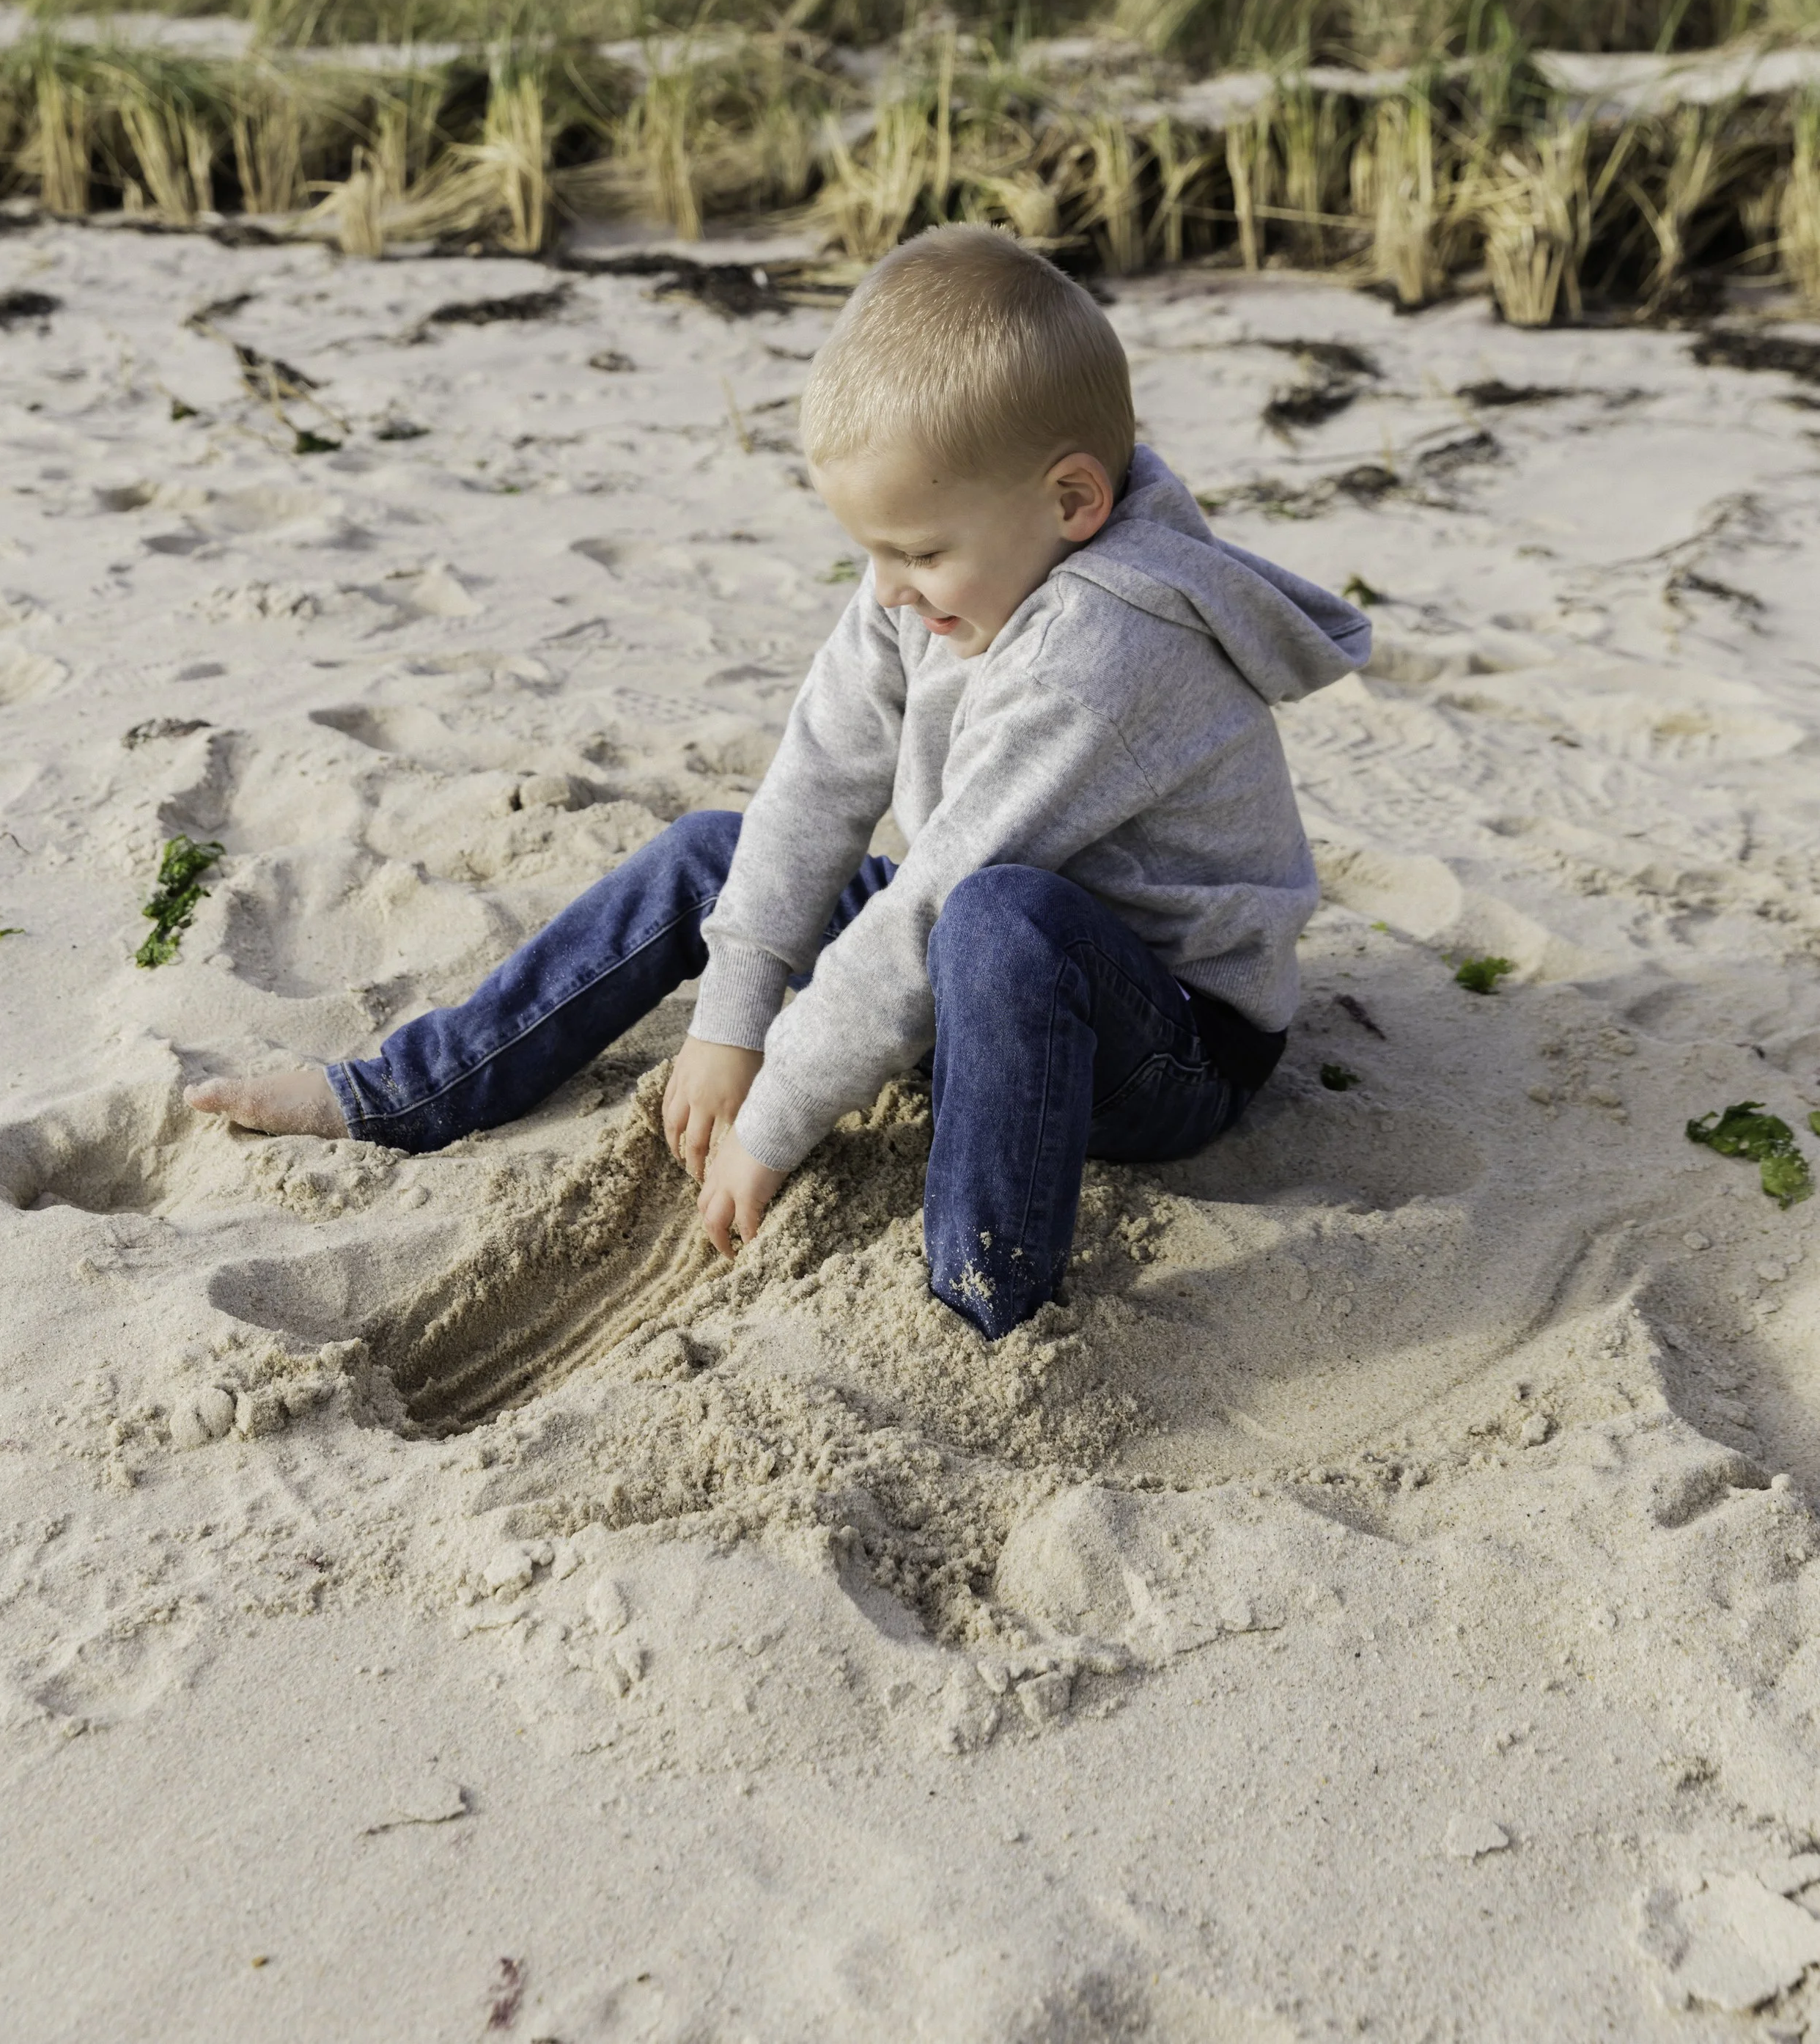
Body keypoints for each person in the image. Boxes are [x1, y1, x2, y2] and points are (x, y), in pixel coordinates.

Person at [190, 227, 1368, 1339]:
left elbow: (933, 902)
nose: (891, 588)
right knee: (719, 849)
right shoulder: (953, 563)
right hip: (981, 959)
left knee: (997, 920)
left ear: (1071, 502)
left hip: (1168, 1036)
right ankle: (412, 1088)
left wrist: (776, 1111)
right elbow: (819, 771)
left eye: (917, 552)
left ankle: (981, 1297)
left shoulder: (1107, 648)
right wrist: (733, 1009)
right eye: (871, 552)